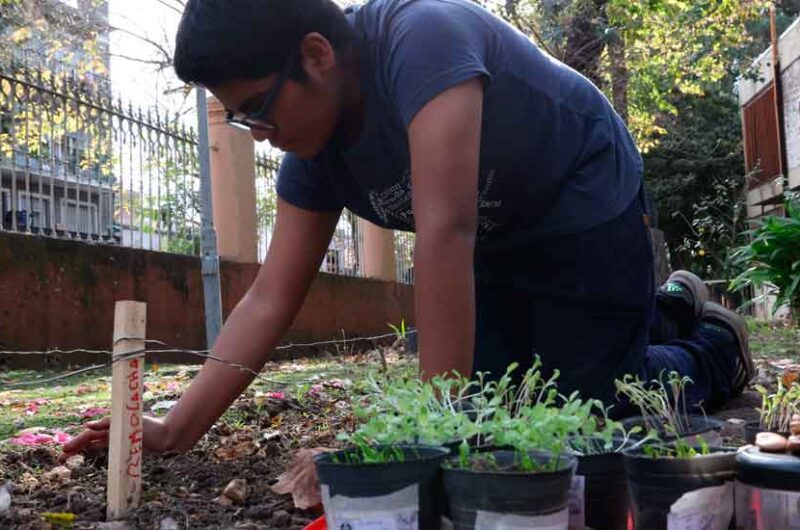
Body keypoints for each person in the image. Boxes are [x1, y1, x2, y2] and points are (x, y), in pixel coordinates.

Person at [62, 0, 753, 457]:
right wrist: (175, 430)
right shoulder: (314, 151)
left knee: (586, 417)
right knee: (506, 415)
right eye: (243, 122)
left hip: (583, 202)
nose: (260, 136)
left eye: (257, 110)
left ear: (318, 54)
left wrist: (427, 441)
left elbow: (444, 234)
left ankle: (715, 345)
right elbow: (270, 298)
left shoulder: (422, 40)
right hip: (498, 247)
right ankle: (658, 312)